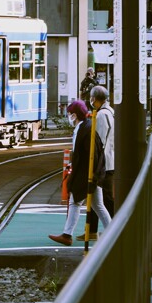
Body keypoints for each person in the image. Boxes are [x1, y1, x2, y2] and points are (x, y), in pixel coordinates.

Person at [49, 99, 111, 246]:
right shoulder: (85, 127)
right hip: (90, 172)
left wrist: (92, 176)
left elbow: (91, 156)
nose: (68, 116)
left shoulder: (86, 129)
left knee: (75, 201)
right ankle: (113, 232)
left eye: (69, 113)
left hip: (87, 173)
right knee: (98, 205)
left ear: (75, 115)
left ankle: (67, 235)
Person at [82, 85, 116, 241]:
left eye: (91, 98)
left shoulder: (102, 115)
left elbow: (99, 141)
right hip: (108, 160)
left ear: (94, 99)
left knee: (105, 198)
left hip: (104, 163)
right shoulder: (110, 112)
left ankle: (112, 229)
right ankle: (92, 230)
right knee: (97, 198)